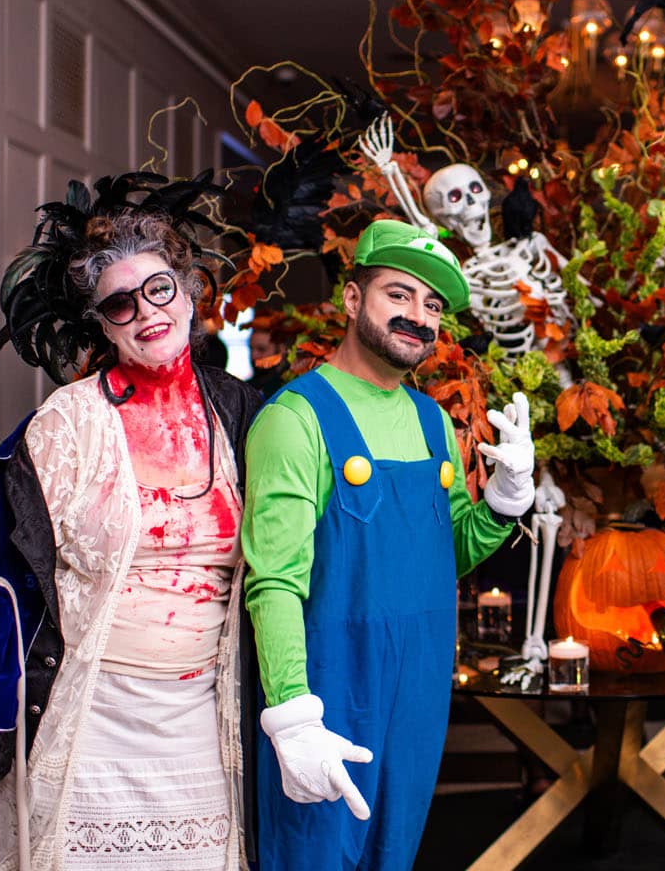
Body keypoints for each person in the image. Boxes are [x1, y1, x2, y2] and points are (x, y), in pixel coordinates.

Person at [0, 172, 262, 871]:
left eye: (159, 289)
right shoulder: (61, 428)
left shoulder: (246, 417)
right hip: (95, 717)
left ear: (189, 289)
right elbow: (1, 584)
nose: (146, 312)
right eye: (119, 303)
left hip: (207, 718)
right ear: (99, 321)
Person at [243, 219, 533, 871]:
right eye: (399, 294)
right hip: (332, 694)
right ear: (352, 299)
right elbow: (274, 582)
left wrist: (503, 504)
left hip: (422, 695)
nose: (419, 317)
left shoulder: (432, 419)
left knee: (394, 858)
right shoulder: (294, 419)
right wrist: (292, 714)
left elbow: (444, 555)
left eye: (433, 306)